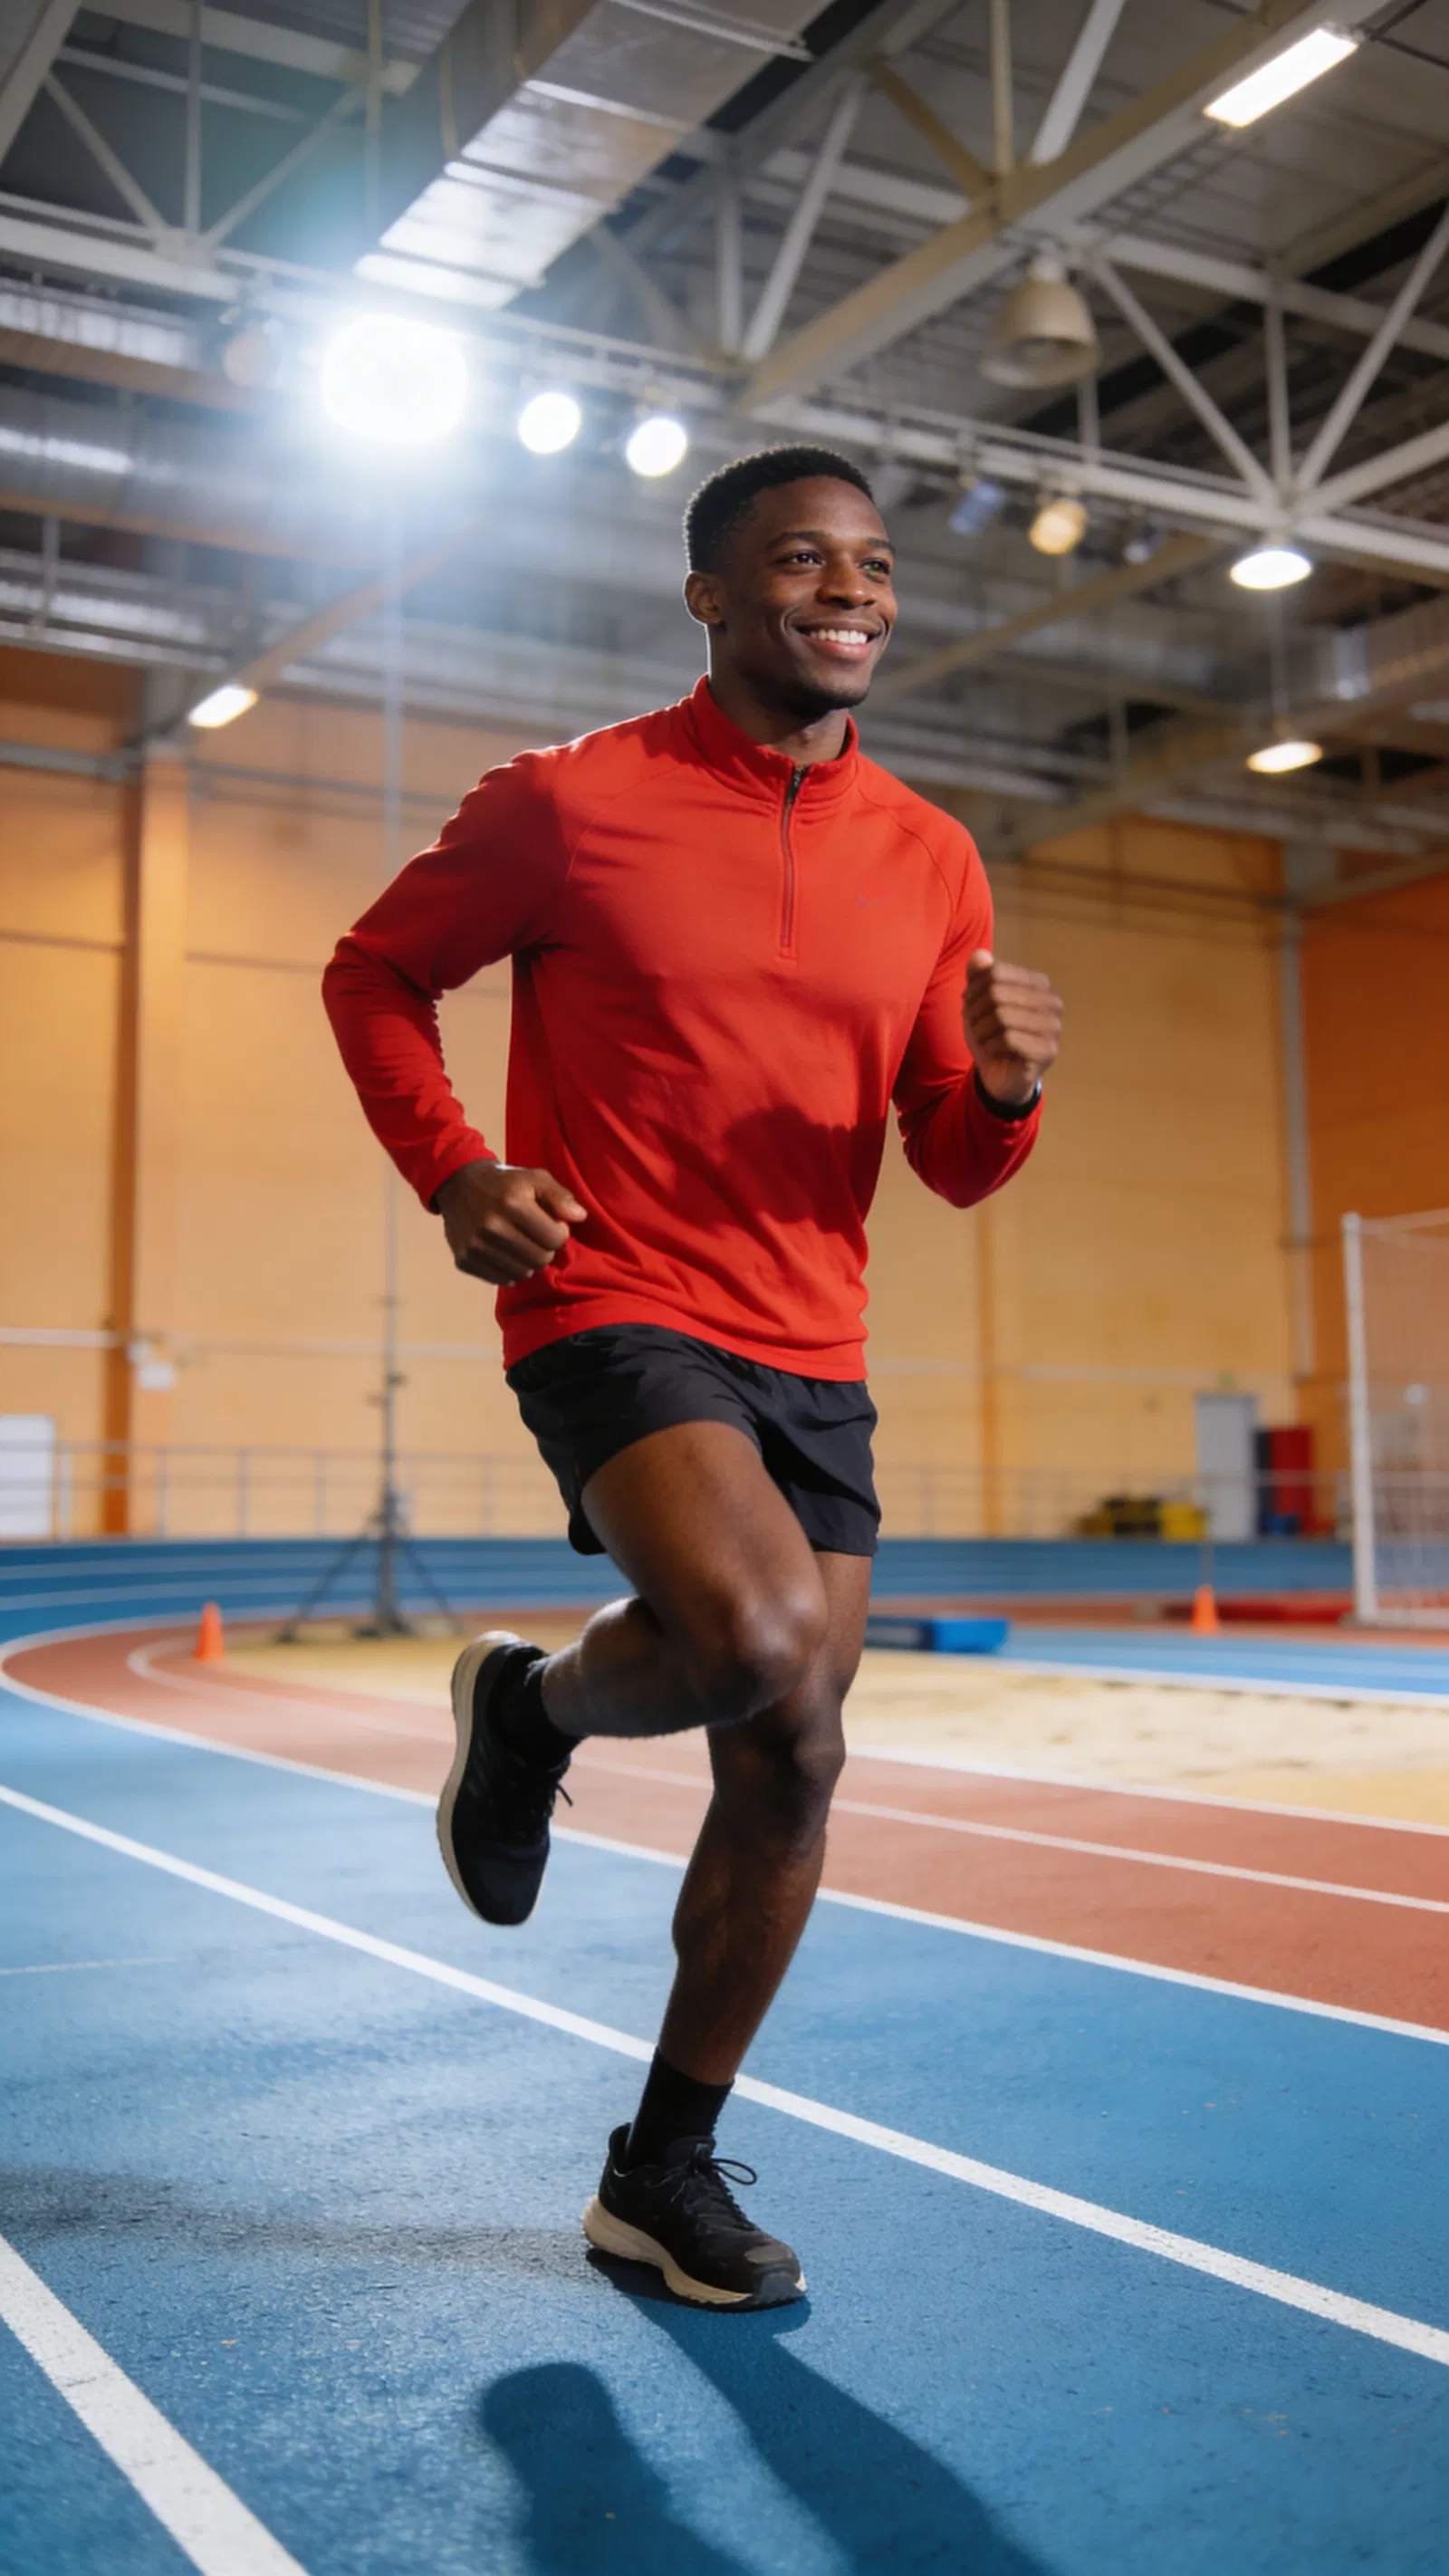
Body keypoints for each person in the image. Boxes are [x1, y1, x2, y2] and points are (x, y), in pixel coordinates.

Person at [322, 443, 1062, 2311]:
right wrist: (456, 1167)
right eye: (801, 560)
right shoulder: (567, 805)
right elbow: (374, 975)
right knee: (746, 1640)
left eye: (874, 566)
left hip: (811, 1331)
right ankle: (547, 1711)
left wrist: (1000, 1089)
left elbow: (946, 1165)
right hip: (610, 1291)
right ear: (712, 596)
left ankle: (658, 2167)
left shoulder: (927, 854)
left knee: (797, 1749)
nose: (849, 590)